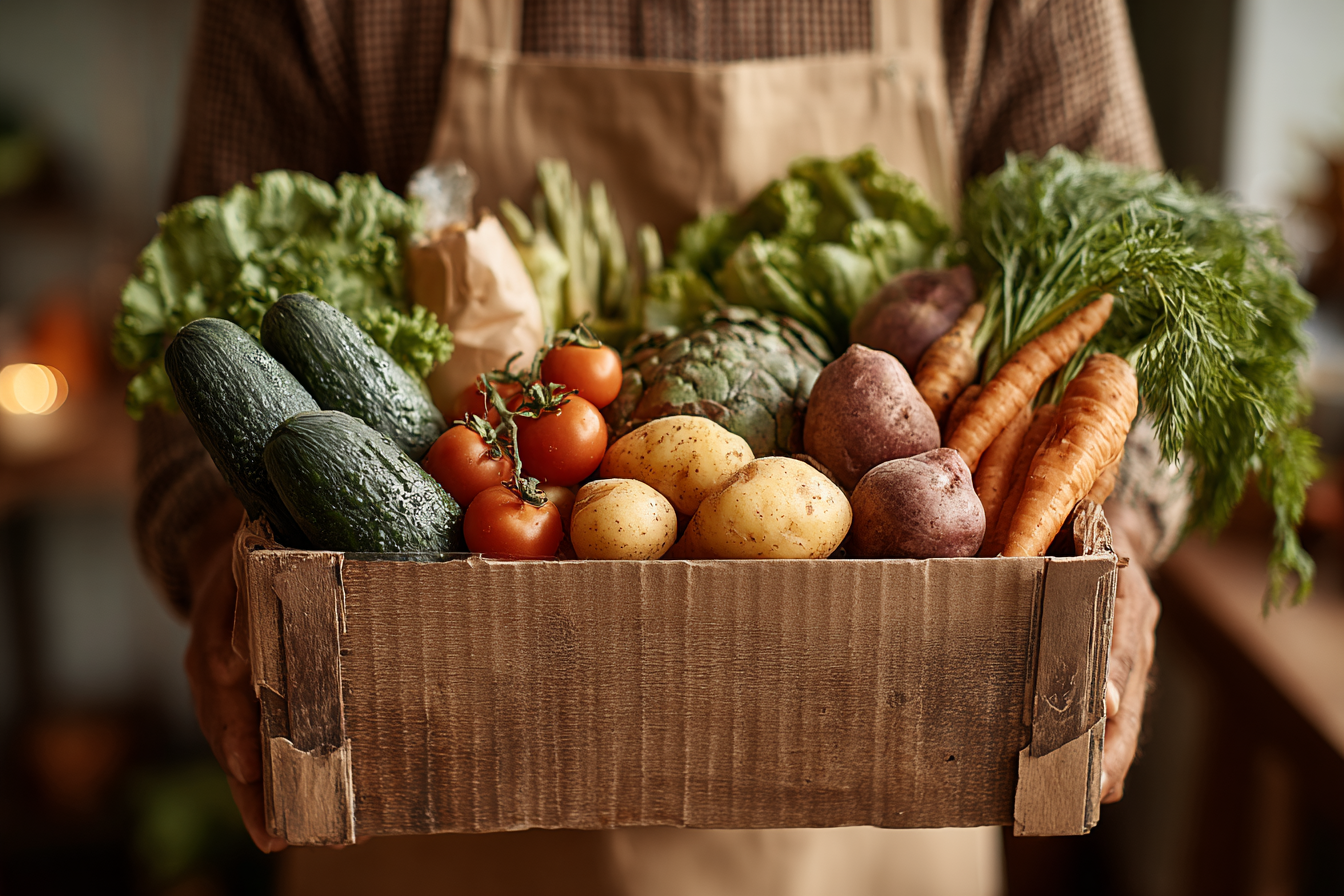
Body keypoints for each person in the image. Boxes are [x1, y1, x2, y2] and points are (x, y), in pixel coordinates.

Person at [139, 1, 1183, 892]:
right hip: (428, 810)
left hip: (864, 837)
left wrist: (1107, 527)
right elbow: (188, 328)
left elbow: (1144, 302)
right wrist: (219, 547)